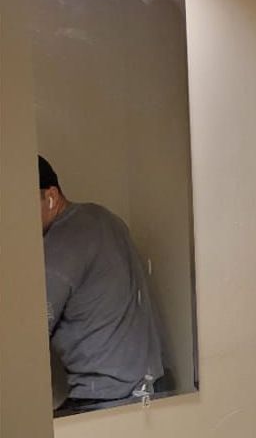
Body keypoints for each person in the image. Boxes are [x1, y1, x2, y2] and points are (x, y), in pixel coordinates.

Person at [39, 156, 165, 412]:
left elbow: (31, 333)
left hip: (107, 395)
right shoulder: (104, 217)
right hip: (149, 385)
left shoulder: (61, 242)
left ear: (51, 196)